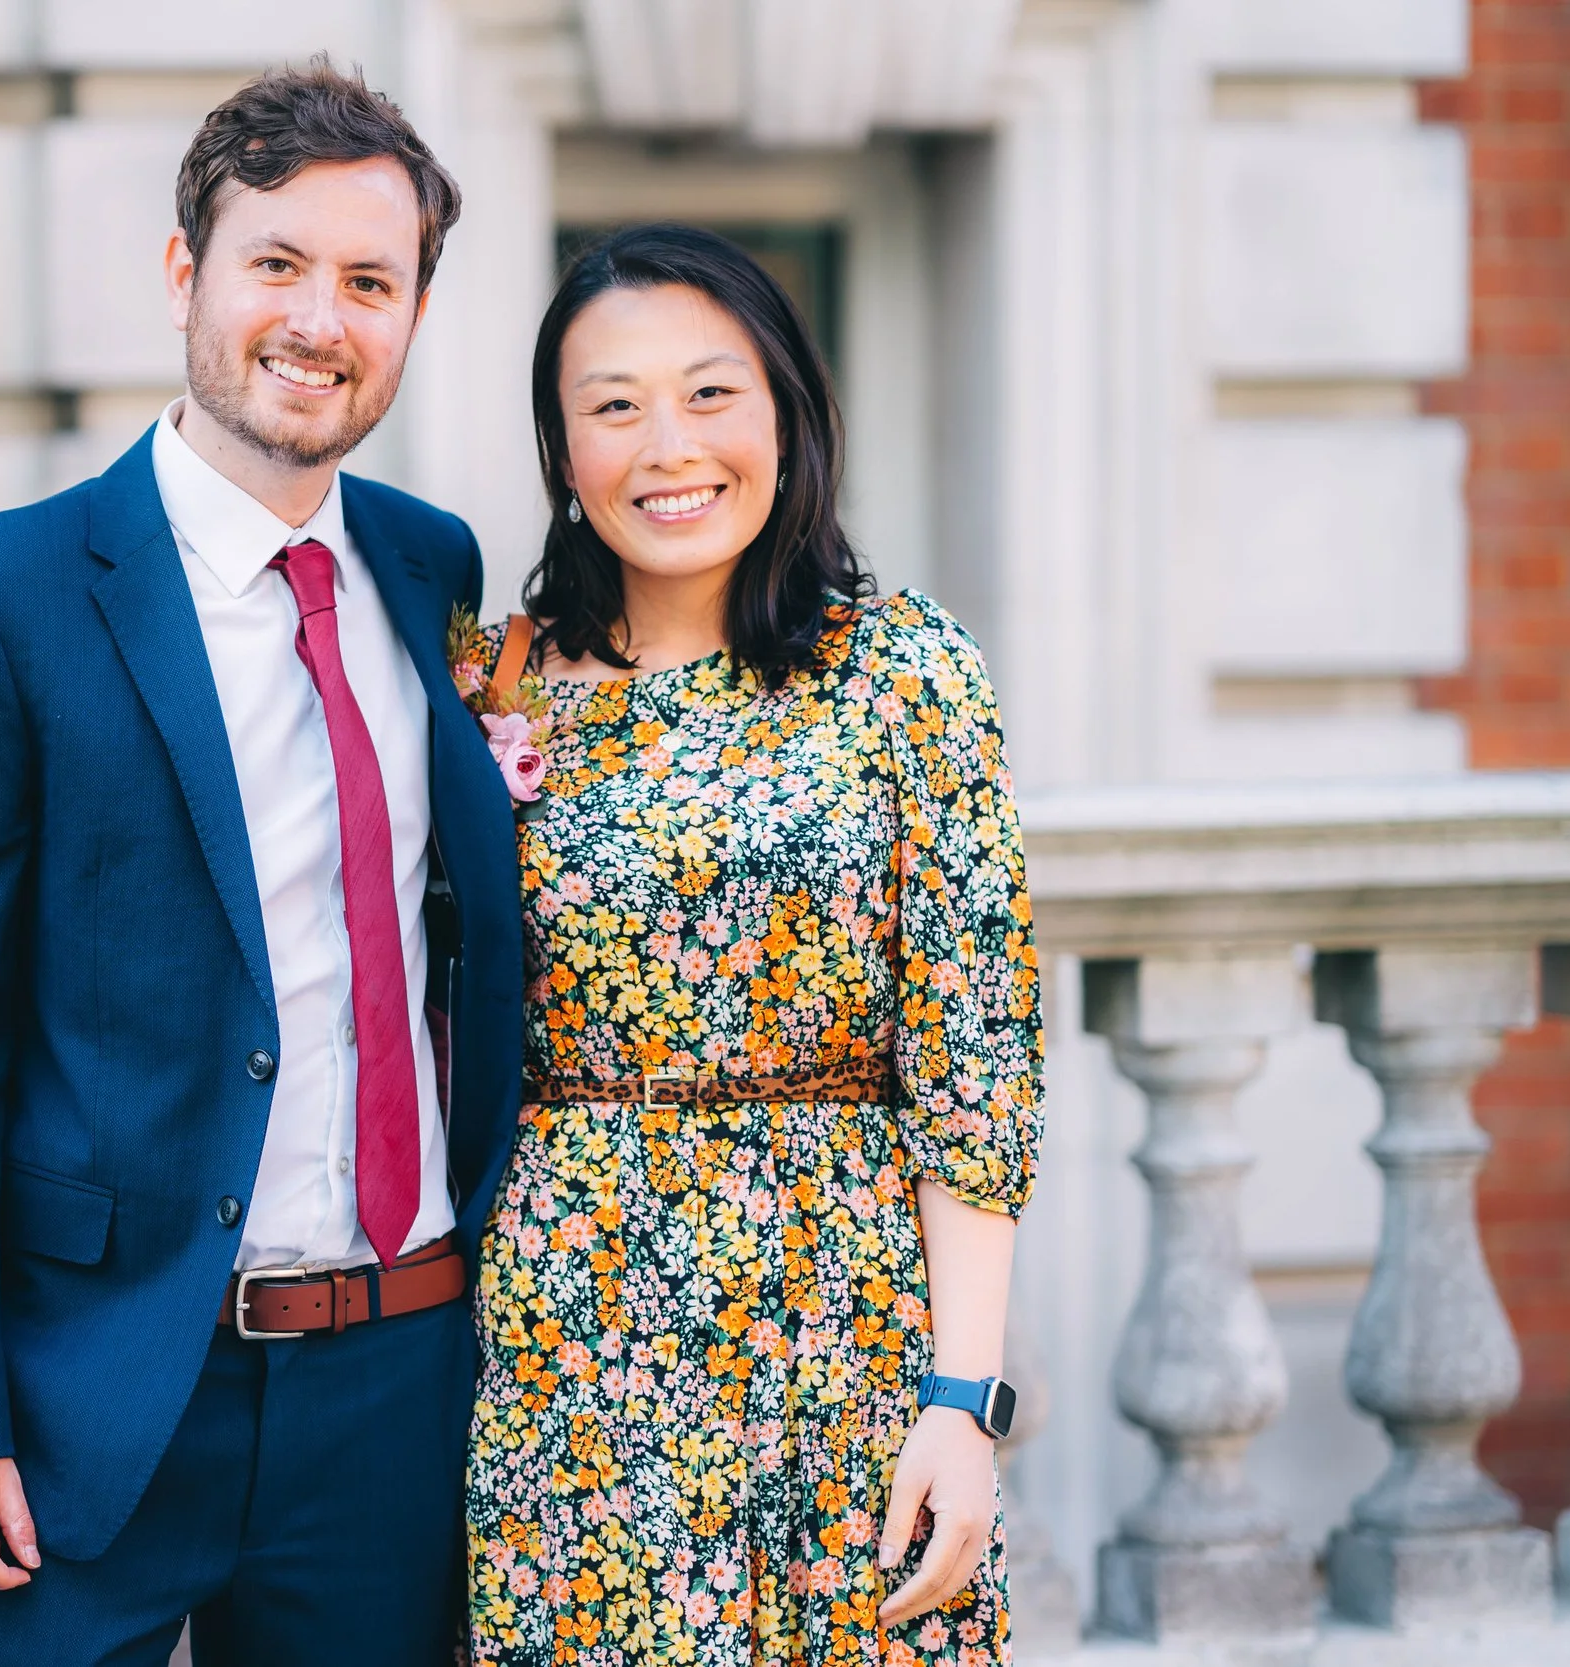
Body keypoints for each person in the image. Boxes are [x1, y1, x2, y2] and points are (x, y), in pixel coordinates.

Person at [0, 60, 526, 1667]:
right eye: (275, 263)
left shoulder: (432, 571)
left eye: (371, 281)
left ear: (415, 312)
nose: (319, 319)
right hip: (95, 1385)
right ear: (183, 275)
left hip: (394, 1381)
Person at [457, 224, 1044, 1666]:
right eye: (614, 405)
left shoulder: (908, 671)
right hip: (568, 1335)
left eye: (712, 392)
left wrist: (962, 1405)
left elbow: (975, 1066)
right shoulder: (486, 682)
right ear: (562, 451)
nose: (669, 446)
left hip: (843, 1327)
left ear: (787, 411)